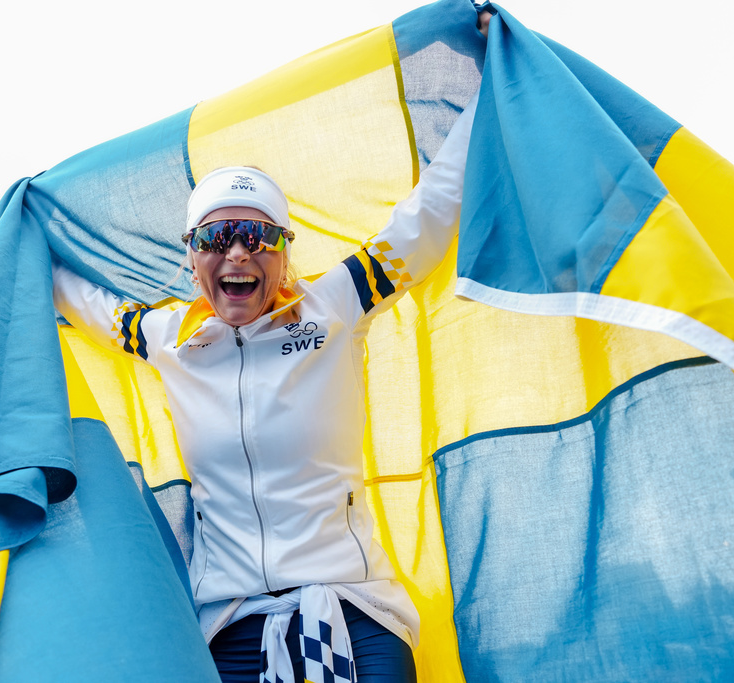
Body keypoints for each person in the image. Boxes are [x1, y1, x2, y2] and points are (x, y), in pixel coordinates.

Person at [52, 16, 488, 681]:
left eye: (258, 237)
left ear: (286, 255)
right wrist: (22, 236)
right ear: (191, 256)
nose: (237, 252)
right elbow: (81, 301)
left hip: (351, 609)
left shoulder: (335, 305)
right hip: (229, 624)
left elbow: (429, 215)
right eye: (216, 236)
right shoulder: (172, 339)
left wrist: (488, 82)